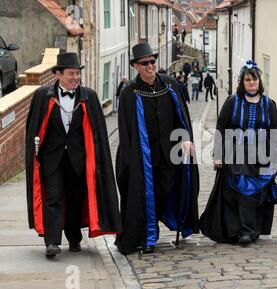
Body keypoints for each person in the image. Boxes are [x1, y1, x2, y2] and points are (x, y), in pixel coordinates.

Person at [25, 52, 122, 259]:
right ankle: (52, 242)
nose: (76, 78)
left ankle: (74, 237)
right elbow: (33, 128)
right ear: (58, 74)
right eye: (71, 74)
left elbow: (98, 134)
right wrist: (36, 158)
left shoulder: (89, 97)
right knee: (53, 197)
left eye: (78, 74)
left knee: (75, 199)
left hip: (79, 160)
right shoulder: (43, 96)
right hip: (52, 159)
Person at [115, 43, 200, 255]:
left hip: (170, 153)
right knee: (145, 195)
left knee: (167, 190)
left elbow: (182, 117)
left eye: (152, 61)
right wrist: (131, 157)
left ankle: (169, 223)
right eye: (145, 63)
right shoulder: (129, 93)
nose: (150, 66)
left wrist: (187, 138)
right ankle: (148, 236)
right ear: (136, 66)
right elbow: (126, 130)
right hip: (143, 156)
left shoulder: (170, 85)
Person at [200, 60, 277, 245]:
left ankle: (253, 229)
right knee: (241, 192)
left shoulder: (269, 104)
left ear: (259, 81)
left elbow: (275, 132)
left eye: (254, 79)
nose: (252, 83)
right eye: (247, 80)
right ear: (242, 82)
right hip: (236, 155)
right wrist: (218, 155)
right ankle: (243, 231)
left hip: (261, 156)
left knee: (258, 193)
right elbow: (221, 128)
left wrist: (275, 158)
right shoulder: (233, 102)